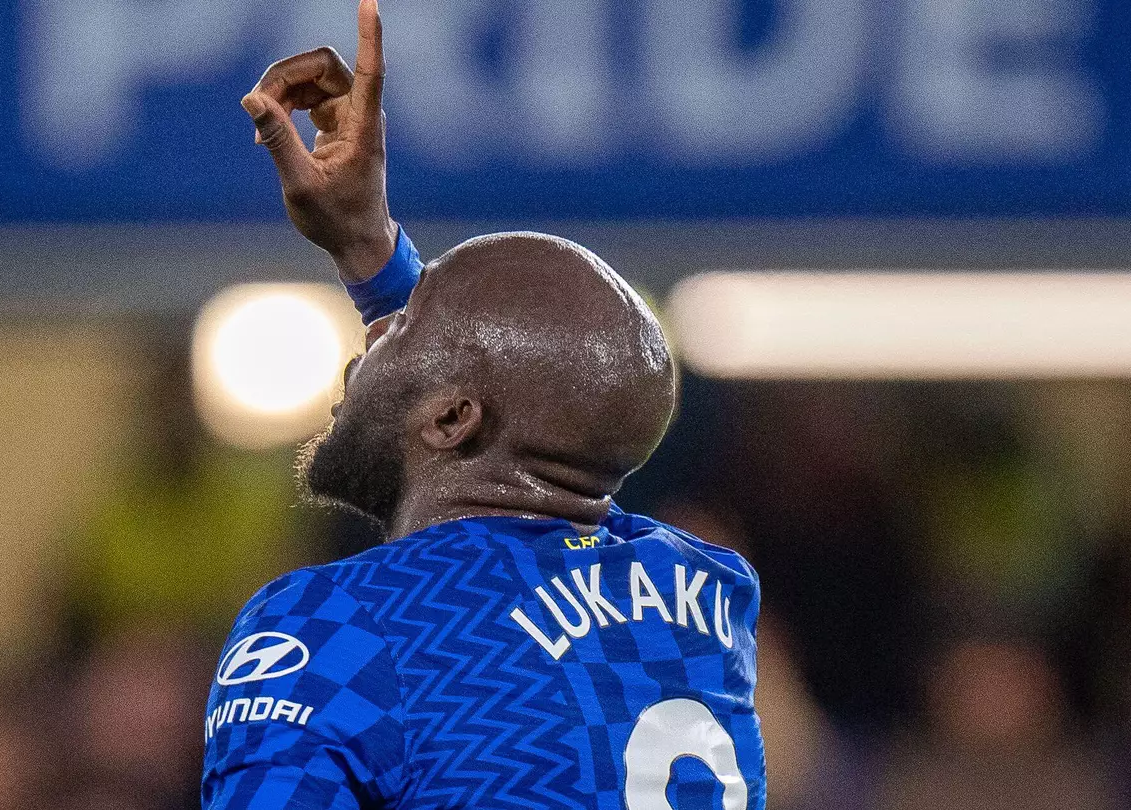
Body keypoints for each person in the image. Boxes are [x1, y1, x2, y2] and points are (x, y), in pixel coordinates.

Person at [201, 2, 766, 808]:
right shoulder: (703, 595)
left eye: (400, 330)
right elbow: (519, 385)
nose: (369, 343)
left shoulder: (334, 629)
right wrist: (372, 250)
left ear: (451, 420)